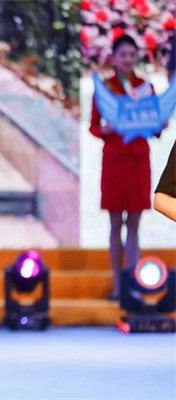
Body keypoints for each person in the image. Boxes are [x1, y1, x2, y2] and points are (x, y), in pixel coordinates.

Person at [89, 34, 164, 300]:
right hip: (114, 160)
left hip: (138, 161)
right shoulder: (105, 88)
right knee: (114, 223)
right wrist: (105, 130)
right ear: (114, 57)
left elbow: (155, 129)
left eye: (132, 54)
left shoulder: (146, 87)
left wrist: (159, 124)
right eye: (123, 54)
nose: (128, 59)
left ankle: (133, 285)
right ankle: (118, 285)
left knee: (134, 223)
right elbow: (93, 126)